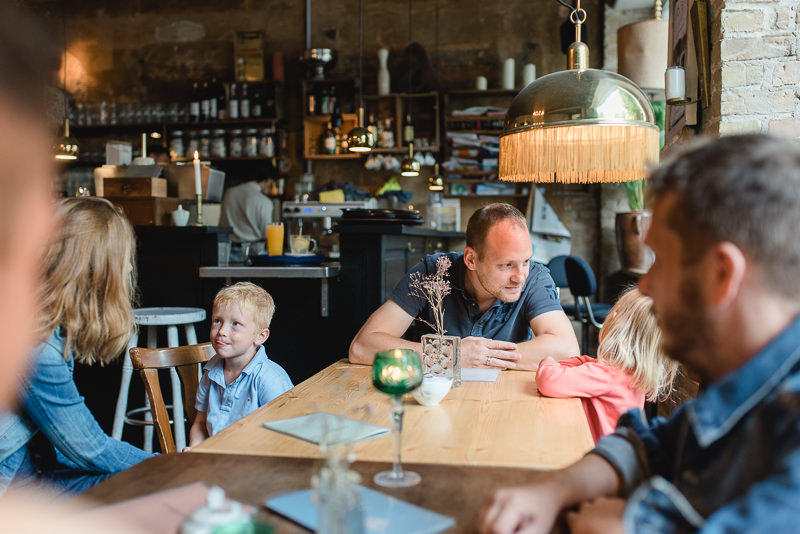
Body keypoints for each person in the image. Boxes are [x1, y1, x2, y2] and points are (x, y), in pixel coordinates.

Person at [479, 134, 800, 534]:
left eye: (660, 261)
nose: (644, 286)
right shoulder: (740, 384)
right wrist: (553, 488)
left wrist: (635, 526)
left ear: (721, 275)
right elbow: (650, 446)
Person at [0, 197, 153, 495]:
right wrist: (168, 464)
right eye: (123, 257)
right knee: (149, 485)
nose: (130, 267)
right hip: (13, 485)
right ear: (96, 269)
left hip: (32, 466)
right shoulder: (37, 347)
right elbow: (88, 448)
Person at [349, 203, 580, 370]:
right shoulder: (433, 272)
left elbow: (566, 348)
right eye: (506, 265)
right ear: (471, 259)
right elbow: (362, 347)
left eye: (526, 261)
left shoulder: (535, 278)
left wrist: (482, 357)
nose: (520, 277)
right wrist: (449, 354)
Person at [536, 287, 678, 443]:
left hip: (591, 453)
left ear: (612, 322)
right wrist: (583, 362)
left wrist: (547, 361)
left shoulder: (607, 374)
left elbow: (549, 381)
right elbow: (581, 365)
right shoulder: (635, 376)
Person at [188, 282, 292, 446]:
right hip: (215, 459)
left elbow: (284, 435)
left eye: (235, 324)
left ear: (260, 336)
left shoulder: (269, 379)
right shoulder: (210, 374)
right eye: (217, 321)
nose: (221, 331)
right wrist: (195, 450)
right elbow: (200, 424)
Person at [219, 178, 274, 262]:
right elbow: (267, 236)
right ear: (267, 179)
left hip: (228, 253)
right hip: (254, 254)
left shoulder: (229, 193)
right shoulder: (264, 201)